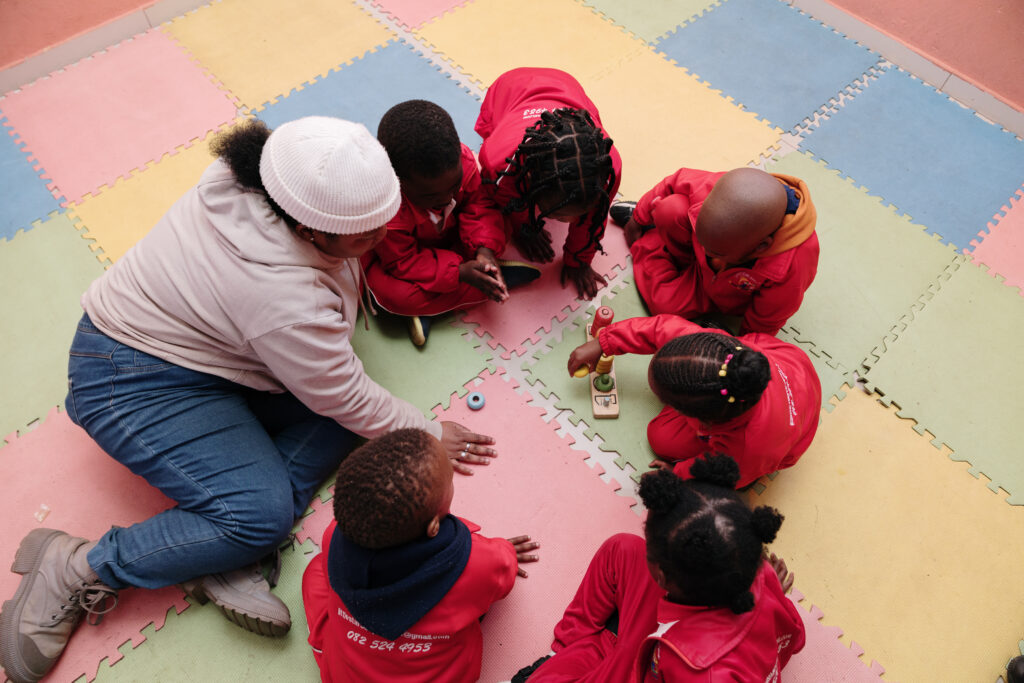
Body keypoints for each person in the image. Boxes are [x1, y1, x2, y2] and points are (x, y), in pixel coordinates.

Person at [0, 117, 498, 683]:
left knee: (355, 422)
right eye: (364, 237)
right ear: (310, 229)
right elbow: (343, 392)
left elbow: (342, 393)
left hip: (219, 358)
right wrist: (427, 433)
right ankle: (80, 566)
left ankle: (220, 548)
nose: (380, 239)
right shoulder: (283, 298)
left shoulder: (288, 171)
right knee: (263, 513)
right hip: (127, 378)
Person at [519, 456, 805, 681]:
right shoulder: (760, 577)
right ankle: (571, 650)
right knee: (621, 549)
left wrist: (627, 656)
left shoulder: (697, 671)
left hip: (665, 660)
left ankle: (573, 655)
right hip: (689, 632)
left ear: (661, 577)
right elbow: (794, 638)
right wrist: (774, 596)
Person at [302, 428, 539, 682]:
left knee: (316, 570)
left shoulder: (334, 535)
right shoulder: (479, 562)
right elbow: (504, 573)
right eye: (449, 481)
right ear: (433, 526)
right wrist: (503, 551)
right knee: (474, 596)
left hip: (344, 675)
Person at [568, 314, 820, 488]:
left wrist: (678, 474)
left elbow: (713, 475)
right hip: (787, 361)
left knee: (660, 438)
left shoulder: (744, 451)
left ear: (705, 423)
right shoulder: (710, 349)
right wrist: (606, 342)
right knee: (663, 435)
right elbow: (659, 328)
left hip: (784, 436)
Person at [364, 100, 539, 346]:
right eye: (430, 196)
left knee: (500, 218)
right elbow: (402, 261)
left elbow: (479, 206)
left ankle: (475, 280)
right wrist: (459, 273)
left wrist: (484, 251)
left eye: (454, 186)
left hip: (452, 240)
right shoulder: (385, 208)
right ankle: (493, 283)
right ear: (396, 180)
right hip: (409, 262)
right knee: (391, 295)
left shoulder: (462, 163)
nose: (447, 198)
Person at [611, 167, 818, 335]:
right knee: (670, 208)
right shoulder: (722, 188)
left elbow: (767, 320)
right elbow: (673, 181)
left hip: (725, 294)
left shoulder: (792, 264)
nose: (706, 252)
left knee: (663, 305)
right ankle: (651, 225)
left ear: (761, 246)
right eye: (705, 245)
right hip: (699, 263)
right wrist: (638, 218)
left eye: (716, 252)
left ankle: (649, 237)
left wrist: (741, 345)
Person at [475, 67, 621, 300]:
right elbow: (510, 202)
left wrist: (579, 261)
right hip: (509, 89)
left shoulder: (607, 163)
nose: (571, 221)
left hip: (566, 86)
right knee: (501, 193)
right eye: (560, 217)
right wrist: (526, 230)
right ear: (529, 182)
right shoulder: (500, 164)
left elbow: (595, 218)